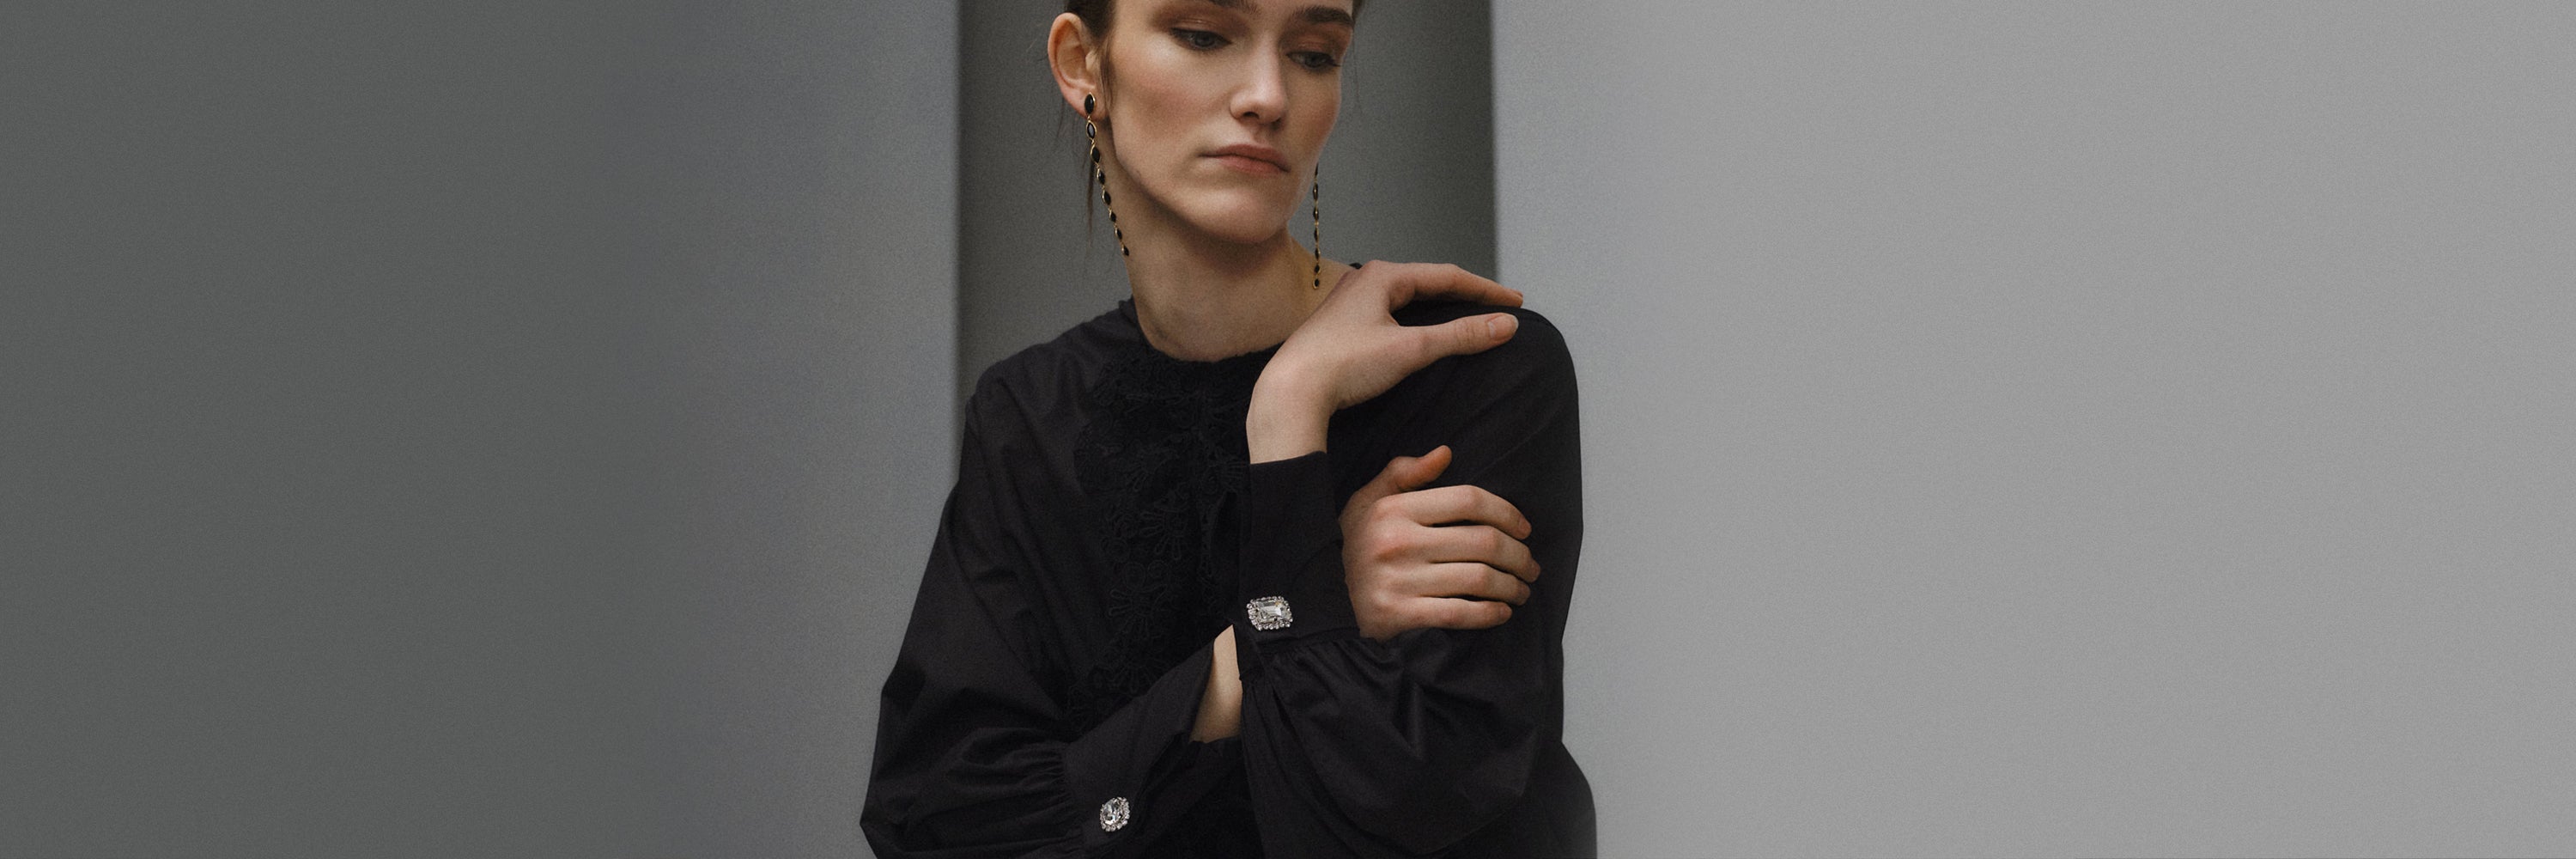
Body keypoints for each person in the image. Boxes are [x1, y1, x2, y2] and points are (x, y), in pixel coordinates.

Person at [862, 0, 1591, 854]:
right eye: (1204, 36)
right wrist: (1287, 614)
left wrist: (1288, 413)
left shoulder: (1479, 371)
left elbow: (1390, 804)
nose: (1268, 96)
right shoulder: (1029, 417)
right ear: (1082, 64)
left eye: (1314, 53)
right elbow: (944, 827)